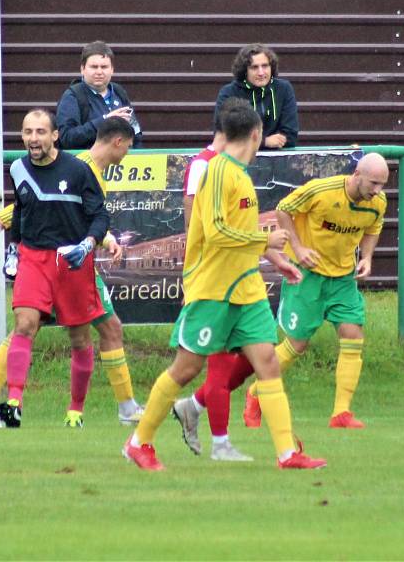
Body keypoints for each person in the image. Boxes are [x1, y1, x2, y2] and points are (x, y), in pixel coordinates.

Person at [122, 102, 326, 471]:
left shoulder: (240, 173)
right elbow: (217, 233)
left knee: (267, 363)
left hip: (245, 289)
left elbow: (239, 234)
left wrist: (274, 257)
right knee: (186, 369)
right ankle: (138, 443)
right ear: (256, 134)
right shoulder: (218, 171)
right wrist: (265, 239)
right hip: (212, 289)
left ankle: (287, 454)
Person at [0, 117, 143, 428]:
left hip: (74, 255)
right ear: (118, 142)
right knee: (85, 329)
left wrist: (105, 237)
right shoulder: (81, 166)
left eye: (40, 131)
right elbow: (26, 204)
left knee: (40, 329)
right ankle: (123, 408)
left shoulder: (87, 168)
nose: (129, 152)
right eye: (129, 145)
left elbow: (86, 213)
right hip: (62, 258)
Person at [238, 153, 388, 430]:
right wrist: (297, 248)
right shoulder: (321, 190)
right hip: (307, 276)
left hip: (342, 277)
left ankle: (341, 413)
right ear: (357, 174)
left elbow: (373, 229)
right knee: (297, 344)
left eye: (382, 185)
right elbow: (284, 208)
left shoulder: (377, 203)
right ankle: (255, 394)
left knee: (352, 334)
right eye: (373, 183)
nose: (377, 191)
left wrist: (367, 257)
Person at [173, 99, 256, 461]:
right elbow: (197, 224)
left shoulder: (236, 167)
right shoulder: (205, 166)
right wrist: (193, 272)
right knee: (205, 364)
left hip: (239, 278)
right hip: (212, 280)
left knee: (258, 357)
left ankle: (192, 406)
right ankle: (218, 441)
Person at [56, 41, 142, 150]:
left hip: (123, 165)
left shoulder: (118, 92)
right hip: (86, 165)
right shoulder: (72, 96)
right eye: (94, 67)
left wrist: (136, 156)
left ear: (112, 70)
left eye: (104, 67)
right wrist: (105, 121)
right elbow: (67, 138)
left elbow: (136, 133)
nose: (99, 72)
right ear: (82, 69)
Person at [214, 43, 298, 150]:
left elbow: (290, 136)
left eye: (265, 66)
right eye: (254, 67)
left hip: (278, 161)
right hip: (240, 161)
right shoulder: (229, 92)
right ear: (245, 71)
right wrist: (264, 141)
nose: (261, 72)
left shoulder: (284, 89)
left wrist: (247, 140)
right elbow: (224, 136)